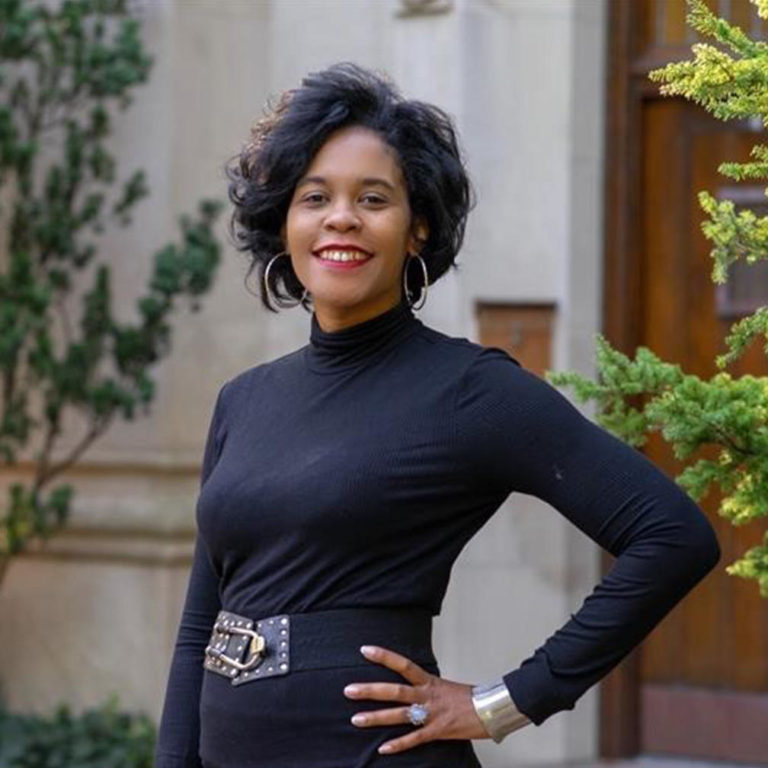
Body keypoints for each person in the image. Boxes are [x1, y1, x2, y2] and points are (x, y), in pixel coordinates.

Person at [155, 62, 721, 768]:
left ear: (417, 228)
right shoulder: (243, 399)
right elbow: (198, 629)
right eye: (315, 196)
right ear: (284, 221)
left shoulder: (470, 391)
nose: (341, 218)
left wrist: (504, 704)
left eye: (373, 198)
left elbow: (672, 537)